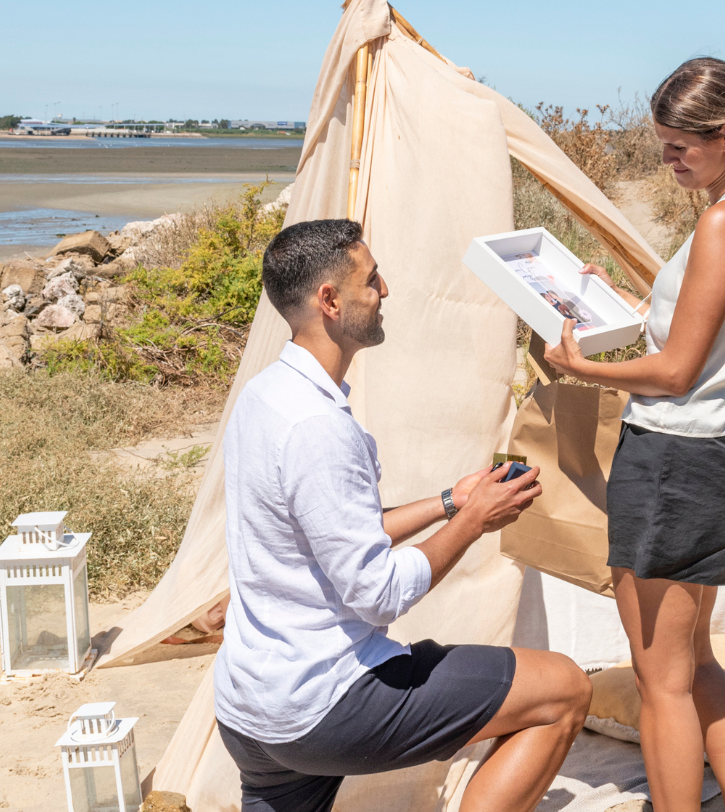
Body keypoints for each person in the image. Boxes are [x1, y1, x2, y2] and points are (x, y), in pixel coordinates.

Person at [214, 218, 592, 812]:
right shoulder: (319, 429)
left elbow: (335, 531)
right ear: (330, 301)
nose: (385, 290)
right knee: (565, 689)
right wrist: (472, 524)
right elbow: (378, 593)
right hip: (323, 703)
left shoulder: (264, 398)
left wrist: (451, 501)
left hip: (249, 711)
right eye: (372, 279)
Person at [544, 58, 725, 812]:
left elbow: (672, 372)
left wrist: (578, 366)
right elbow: (700, 331)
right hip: (716, 453)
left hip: (676, 456)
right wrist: (606, 302)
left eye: (677, 148)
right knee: (693, 663)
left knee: (659, 680)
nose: (666, 161)